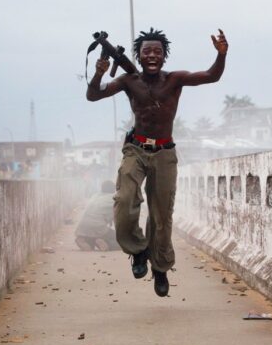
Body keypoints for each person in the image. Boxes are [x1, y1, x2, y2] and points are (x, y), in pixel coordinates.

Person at [86, 28, 228, 296]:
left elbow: (212, 76)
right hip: (136, 149)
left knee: (162, 215)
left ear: (164, 56)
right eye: (147, 51)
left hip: (165, 153)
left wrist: (221, 55)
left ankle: (160, 267)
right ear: (139, 56)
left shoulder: (175, 80)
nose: (152, 55)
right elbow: (93, 95)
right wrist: (99, 72)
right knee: (125, 199)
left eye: (157, 52)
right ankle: (138, 251)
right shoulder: (129, 80)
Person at [75, 180, 120, 251]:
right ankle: (106, 243)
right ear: (113, 189)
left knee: (92, 237)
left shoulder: (95, 195)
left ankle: (84, 240)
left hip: (82, 227)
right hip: (98, 227)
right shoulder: (114, 199)